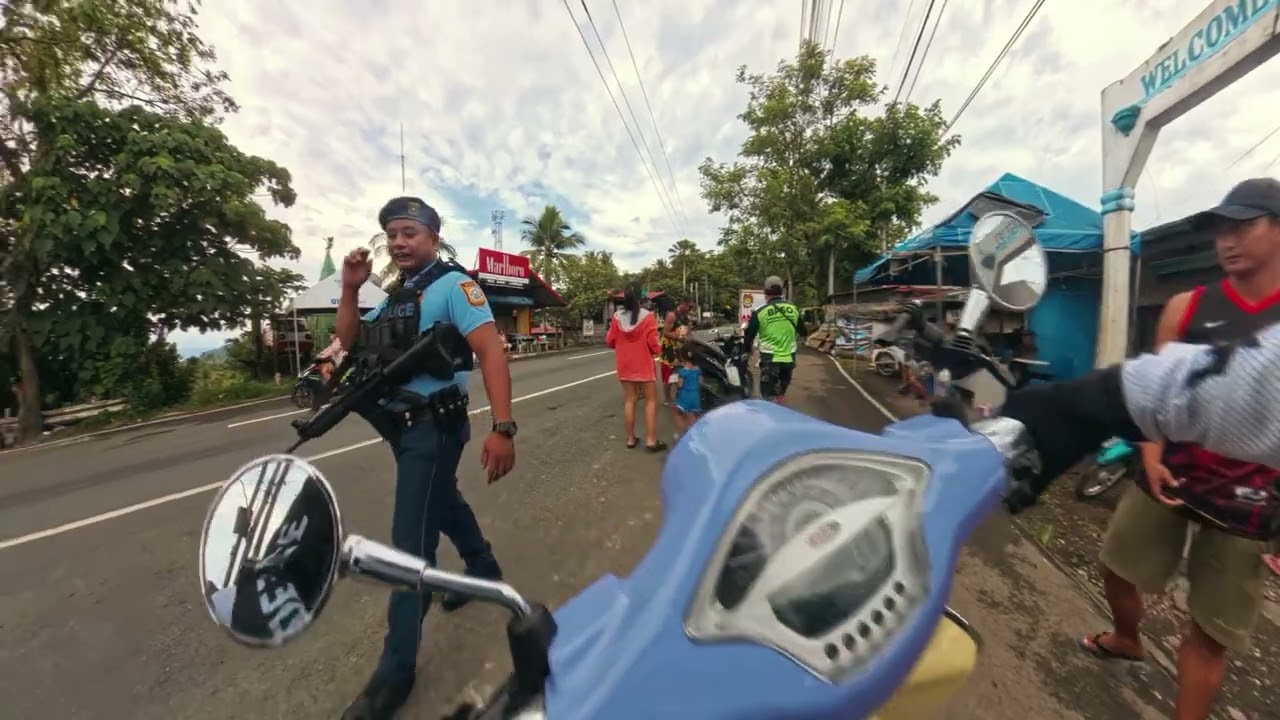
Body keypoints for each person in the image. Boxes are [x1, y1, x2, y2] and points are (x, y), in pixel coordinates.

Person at [1080, 178, 1280, 720]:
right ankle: (1127, 636)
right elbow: (1157, 394)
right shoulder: (1186, 308)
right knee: (1117, 566)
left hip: (1248, 498)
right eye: (1222, 227)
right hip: (1170, 472)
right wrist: (1148, 452)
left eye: (1244, 225)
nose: (1228, 239)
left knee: (1210, 629)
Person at [335, 196, 517, 720]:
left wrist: (502, 428)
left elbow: (490, 352)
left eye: (409, 232)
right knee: (443, 499)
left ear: (434, 236)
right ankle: (483, 565)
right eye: (391, 233)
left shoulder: (455, 287)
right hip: (400, 426)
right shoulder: (397, 297)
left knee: (410, 545)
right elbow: (348, 342)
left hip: (436, 427)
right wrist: (349, 288)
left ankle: (395, 673)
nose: (398, 242)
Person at [605, 281, 666, 451]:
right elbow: (653, 343)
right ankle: (651, 440)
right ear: (641, 296)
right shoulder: (648, 316)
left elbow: (610, 341)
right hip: (643, 365)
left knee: (630, 400)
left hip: (624, 364)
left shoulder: (617, 317)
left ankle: (631, 438)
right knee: (651, 401)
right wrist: (659, 350)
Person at [742, 276, 807, 403]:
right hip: (789, 359)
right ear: (782, 291)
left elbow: (749, 336)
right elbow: (803, 332)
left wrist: (748, 351)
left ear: (765, 292)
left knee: (768, 396)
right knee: (781, 391)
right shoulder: (793, 309)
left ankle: (773, 416)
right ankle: (780, 405)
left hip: (770, 360)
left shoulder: (760, 312)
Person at [658, 296, 693, 405]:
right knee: (668, 374)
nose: (690, 309)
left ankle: (680, 395)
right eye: (689, 306)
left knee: (680, 371)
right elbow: (666, 332)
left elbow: (688, 332)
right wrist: (678, 337)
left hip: (679, 348)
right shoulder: (672, 316)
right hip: (669, 348)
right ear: (683, 304)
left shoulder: (685, 317)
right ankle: (667, 399)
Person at [672, 348, 703, 436]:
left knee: (677, 413)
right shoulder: (698, 370)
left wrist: (676, 384)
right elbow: (700, 382)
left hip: (685, 396)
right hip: (696, 396)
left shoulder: (683, 372)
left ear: (683, 358)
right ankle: (693, 433)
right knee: (692, 414)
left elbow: (680, 385)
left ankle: (682, 433)